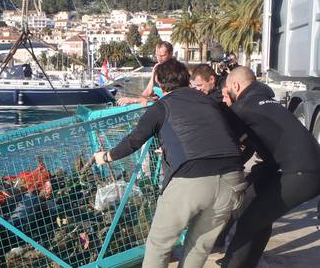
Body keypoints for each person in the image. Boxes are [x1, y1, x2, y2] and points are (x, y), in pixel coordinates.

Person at [94, 58, 245, 268]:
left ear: (159, 83)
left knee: (159, 244)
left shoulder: (161, 106)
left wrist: (107, 156)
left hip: (192, 179)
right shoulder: (210, 101)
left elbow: (133, 141)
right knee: (199, 245)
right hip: (232, 178)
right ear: (186, 79)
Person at [220, 67, 320, 268]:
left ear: (235, 86)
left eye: (225, 94)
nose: (224, 100)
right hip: (302, 168)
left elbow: (218, 136)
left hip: (302, 173)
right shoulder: (265, 102)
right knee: (256, 212)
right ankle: (245, 262)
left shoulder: (244, 108)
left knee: (249, 223)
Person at [117, 41, 173, 106]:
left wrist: (133, 100)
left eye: (162, 55)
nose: (159, 59)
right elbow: (148, 90)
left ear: (171, 54)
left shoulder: (176, 71)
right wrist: (133, 99)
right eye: (157, 55)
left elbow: (169, 96)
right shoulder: (156, 68)